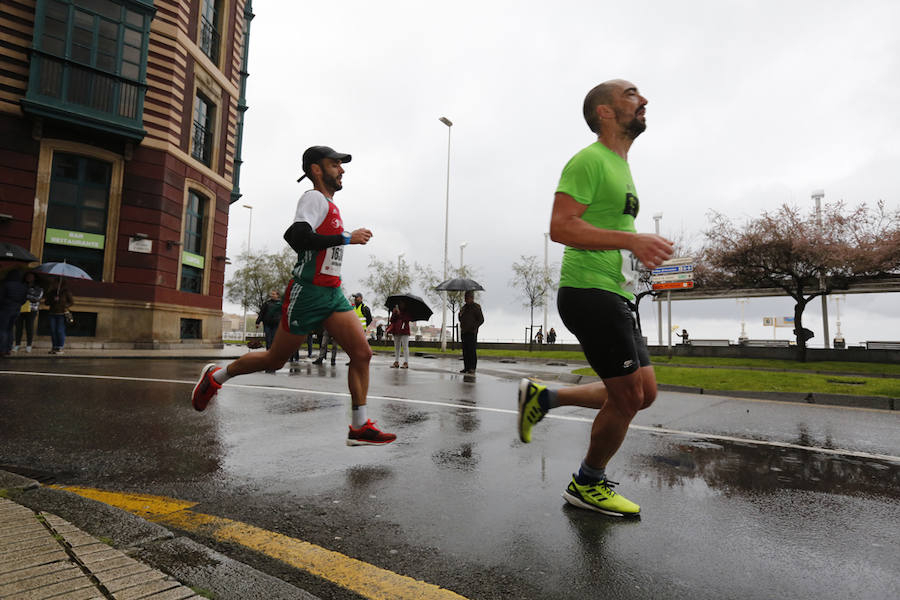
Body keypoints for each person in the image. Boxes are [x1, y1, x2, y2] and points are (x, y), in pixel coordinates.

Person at [517, 79, 674, 517]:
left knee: (643, 394)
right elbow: (561, 227)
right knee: (625, 399)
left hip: (617, 292)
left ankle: (545, 398)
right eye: (631, 94)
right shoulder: (589, 161)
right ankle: (587, 483)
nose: (643, 100)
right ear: (604, 112)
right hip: (589, 291)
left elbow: (608, 232)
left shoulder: (621, 165)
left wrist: (635, 252)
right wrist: (633, 240)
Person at [191, 145, 396, 446]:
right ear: (316, 169)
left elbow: (314, 242)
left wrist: (340, 240)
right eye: (335, 164)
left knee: (362, 354)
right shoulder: (313, 198)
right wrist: (346, 238)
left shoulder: (330, 206)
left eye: (342, 165)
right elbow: (297, 236)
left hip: (332, 293)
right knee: (275, 360)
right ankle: (216, 377)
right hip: (309, 293)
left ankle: (359, 425)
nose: (342, 170)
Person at [13, 271, 43, 353]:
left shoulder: (38, 288)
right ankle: (17, 344)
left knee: (29, 328)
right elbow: (17, 295)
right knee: (18, 327)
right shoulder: (21, 286)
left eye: (31, 276)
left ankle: (29, 345)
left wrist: (26, 294)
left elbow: (36, 298)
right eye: (27, 276)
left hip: (32, 310)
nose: (29, 278)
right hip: (20, 308)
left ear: (34, 278)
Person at [0, 269, 28, 357]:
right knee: (10, 329)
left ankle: (2, 349)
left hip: (5, 309)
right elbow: (24, 300)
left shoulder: (6, 284)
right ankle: (9, 349)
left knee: (3, 329)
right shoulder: (23, 286)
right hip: (17, 310)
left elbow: (1, 297)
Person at [44, 276, 74, 355]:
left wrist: (64, 305)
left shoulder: (66, 292)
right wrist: (53, 300)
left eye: (56, 283)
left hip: (62, 314)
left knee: (60, 331)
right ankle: (54, 347)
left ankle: (60, 347)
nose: (54, 284)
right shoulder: (52, 292)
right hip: (52, 313)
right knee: (53, 331)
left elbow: (71, 302)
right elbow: (46, 302)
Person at [255, 290, 282, 372]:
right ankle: (268, 354)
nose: (272, 295)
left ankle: (272, 355)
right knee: (268, 339)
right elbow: (261, 313)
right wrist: (258, 322)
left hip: (276, 324)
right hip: (267, 324)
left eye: (274, 294)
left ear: (277, 295)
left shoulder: (281, 304)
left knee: (274, 340)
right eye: (271, 294)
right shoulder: (267, 303)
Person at [458, 290, 484, 374]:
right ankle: (466, 367)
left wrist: (474, 327)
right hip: (464, 332)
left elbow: (481, 320)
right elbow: (460, 319)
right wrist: (460, 314)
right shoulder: (464, 307)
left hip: (472, 332)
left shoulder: (476, 307)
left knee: (471, 350)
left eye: (467, 297)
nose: (465, 299)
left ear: (472, 298)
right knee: (465, 351)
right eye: (465, 297)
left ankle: (472, 368)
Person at [386, 302, 410, 368]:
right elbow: (392, 320)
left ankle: (406, 362)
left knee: (405, 347)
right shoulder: (396, 310)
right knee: (397, 347)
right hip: (396, 330)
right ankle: (396, 361)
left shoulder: (407, 311)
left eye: (402, 303)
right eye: (400, 303)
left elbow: (407, 319)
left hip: (404, 330)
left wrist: (400, 313)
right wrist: (394, 313)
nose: (401, 304)